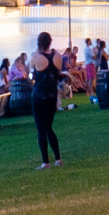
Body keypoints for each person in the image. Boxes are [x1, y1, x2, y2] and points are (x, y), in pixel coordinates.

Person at [32, 31, 64, 168]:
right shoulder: (57, 56)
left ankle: (45, 161)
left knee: (41, 129)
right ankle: (58, 158)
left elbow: (30, 71)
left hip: (39, 95)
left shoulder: (35, 57)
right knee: (49, 127)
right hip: (52, 95)